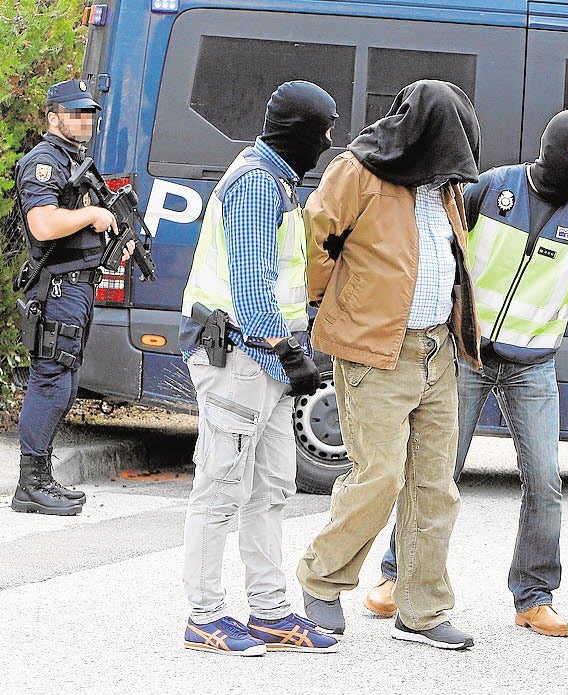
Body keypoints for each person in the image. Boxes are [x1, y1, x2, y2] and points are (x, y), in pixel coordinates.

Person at [364, 109, 568, 638]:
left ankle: (534, 597)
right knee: (434, 472)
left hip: (534, 366)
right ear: (554, 147)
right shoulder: (493, 187)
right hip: (468, 354)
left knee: (545, 482)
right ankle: (394, 575)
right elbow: (431, 249)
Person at [297, 80, 482, 651]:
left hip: (437, 351)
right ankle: (321, 583)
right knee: (378, 475)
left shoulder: (443, 186)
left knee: (435, 486)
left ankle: (422, 610)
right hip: (374, 351)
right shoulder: (356, 171)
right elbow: (317, 240)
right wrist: (333, 314)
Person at [178, 81, 340, 656]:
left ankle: (269, 611)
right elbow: (250, 293)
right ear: (301, 130)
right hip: (240, 357)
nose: (328, 140)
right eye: (324, 129)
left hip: (263, 360)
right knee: (221, 487)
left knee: (270, 487)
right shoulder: (255, 186)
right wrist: (289, 351)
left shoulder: (278, 183)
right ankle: (204, 616)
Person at [12, 79, 133, 516]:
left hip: (78, 288)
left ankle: (42, 478)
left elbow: (80, 227)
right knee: (50, 382)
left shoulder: (75, 161)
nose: (85, 120)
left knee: (62, 384)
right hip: (58, 290)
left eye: (89, 113)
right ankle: (30, 484)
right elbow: (43, 225)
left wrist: (115, 239)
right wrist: (94, 214)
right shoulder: (44, 162)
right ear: (53, 117)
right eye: (74, 112)